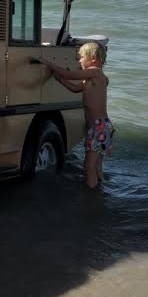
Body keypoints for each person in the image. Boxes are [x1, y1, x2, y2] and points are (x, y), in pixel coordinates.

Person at [39, 42, 114, 189]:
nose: (79, 61)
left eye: (81, 57)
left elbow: (70, 75)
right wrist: (58, 78)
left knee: (88, 166)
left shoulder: (95, 73)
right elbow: (74, 88)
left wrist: (49, 64)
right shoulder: (91, 78)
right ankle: (100, 190)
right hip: (99, 128)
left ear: (93, 58)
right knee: (96, 166)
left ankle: (91, 196)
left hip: (100, 128)